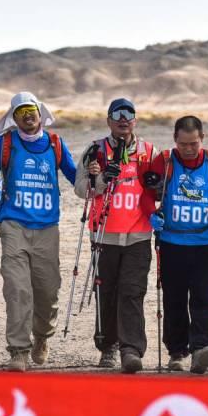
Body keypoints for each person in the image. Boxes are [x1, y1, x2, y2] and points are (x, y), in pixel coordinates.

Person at [0, 92, 78, 371]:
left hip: (47, 228)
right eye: (20, 112)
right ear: (14, 118)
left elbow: (75, 176)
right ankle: (19, 351)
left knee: (48, 292)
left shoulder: (55, 143)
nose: (27, 117)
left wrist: (96, 174)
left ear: (39, 112)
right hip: (13, 225)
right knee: (17, 289)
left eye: (30, 111)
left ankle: (42, 336)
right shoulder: (5, 144)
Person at [142, 116, 208, 374]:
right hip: (172, 243)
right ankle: (176, 352)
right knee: (174, 299)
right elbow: (146, 192)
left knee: (202, 297)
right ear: (175, 140)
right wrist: (152, 214)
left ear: (202, 138)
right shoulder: (165, 161)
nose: (189, 149)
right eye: (183, 144)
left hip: (206, 244)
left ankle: (201, 349)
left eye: (193, 143)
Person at [75, 98, 157, 373]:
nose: (124, 119)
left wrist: (157, 184)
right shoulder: (95, 150)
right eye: (117, 114)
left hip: (138, 236)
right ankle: (107, 345)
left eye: (129, 114)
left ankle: (130, 350)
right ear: (108, 120)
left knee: (132, 292)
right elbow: (80, 189)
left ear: (135, 120)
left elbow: (160, 188)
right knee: (106, 292)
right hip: (104, 235)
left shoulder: (149, 152)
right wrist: (101, 180)